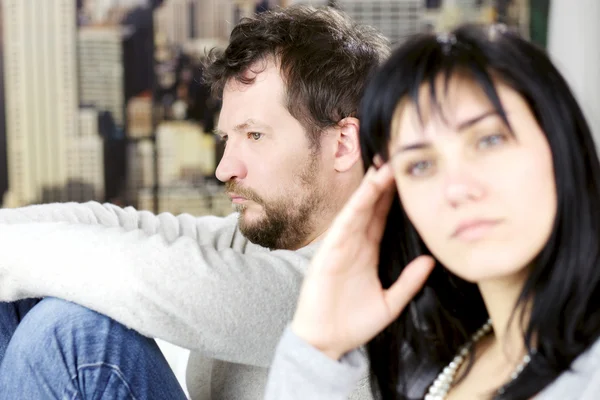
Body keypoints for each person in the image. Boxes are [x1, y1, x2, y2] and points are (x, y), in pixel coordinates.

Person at [0, 5, 389, 400]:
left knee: (74, 336)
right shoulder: (277, 237)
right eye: (227, 139)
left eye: (254, 135)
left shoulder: (369, 279)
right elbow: (125, 228)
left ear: (342, 144)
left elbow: (145, 276)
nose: (224, 169)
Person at [265, 23, 600, 400]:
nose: (456, 189)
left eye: (489, 140)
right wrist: (317, 348)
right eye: (420, 165)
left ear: (561, 144)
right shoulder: (440, 362)